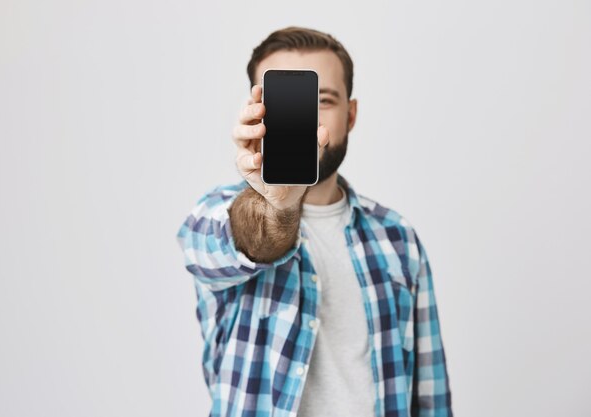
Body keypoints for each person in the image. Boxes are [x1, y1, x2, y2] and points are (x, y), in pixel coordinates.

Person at [177, 26, 453, 417]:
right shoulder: (215, 215)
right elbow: (254, 242)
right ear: (257, 111)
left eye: (322, 100)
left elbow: (430, 394)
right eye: (288, 104)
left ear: (351, 114)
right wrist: (278, 203)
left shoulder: (399, 238)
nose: (307, 122)